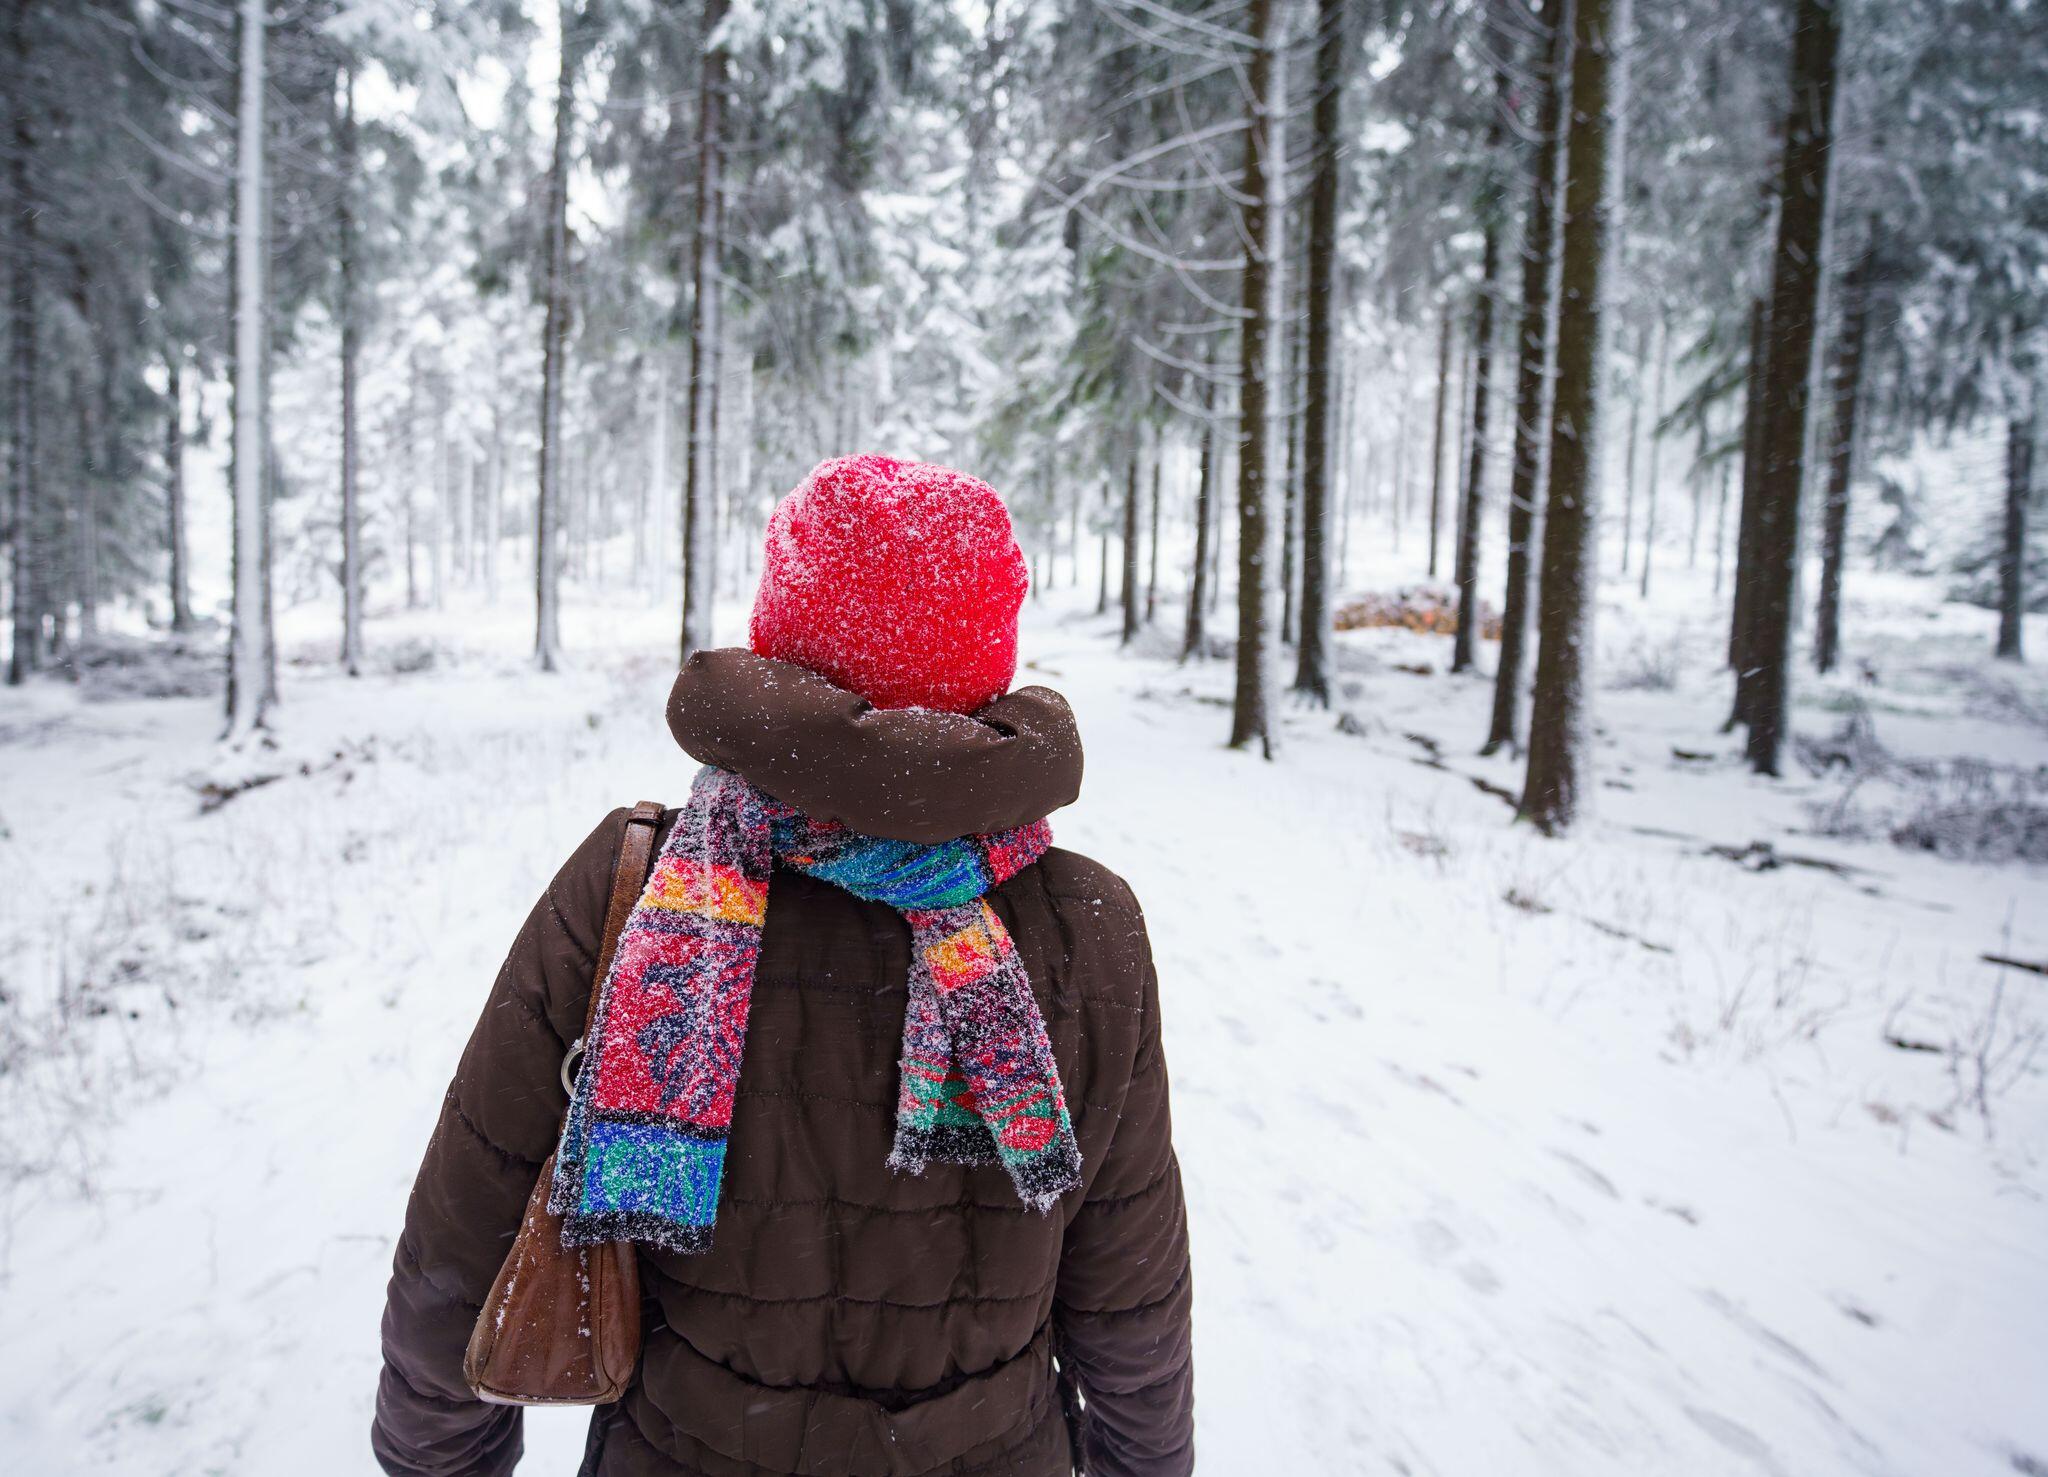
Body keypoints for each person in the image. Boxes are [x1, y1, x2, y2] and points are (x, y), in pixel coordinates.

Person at [372, 453, 1194, 1477]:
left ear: (783, 646)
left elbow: (465, 1232)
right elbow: (1130, 1292)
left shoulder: (641, 883)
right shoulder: (1087, 924)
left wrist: (438, 1461)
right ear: (986, 662)